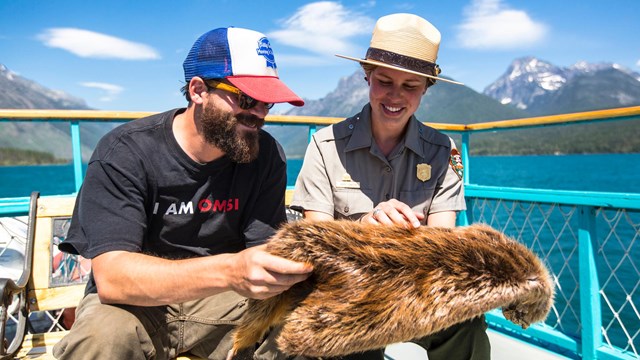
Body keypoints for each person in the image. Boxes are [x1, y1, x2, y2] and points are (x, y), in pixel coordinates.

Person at [52, 27, 313, 360]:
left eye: (267, 103)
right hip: (137, 304)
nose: (259, 114)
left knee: (299, 327)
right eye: (247, 99)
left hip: (224, 302)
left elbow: (263, 250)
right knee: (102, 337)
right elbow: (114, 279)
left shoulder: (266, 156)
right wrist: (232, 270)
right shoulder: (126, 151)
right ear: (198, 90)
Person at [290, 13, 490, 360]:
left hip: (413, 291)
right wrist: (365, 228)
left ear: (427, 88)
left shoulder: (446, 153)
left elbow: (442, 244)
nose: (395, 95)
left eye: (411, 86)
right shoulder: (325, 146)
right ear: (367, 77)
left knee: (467, 324)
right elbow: (316, 244)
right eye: (384, 81)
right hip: (345, 290)